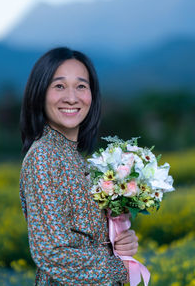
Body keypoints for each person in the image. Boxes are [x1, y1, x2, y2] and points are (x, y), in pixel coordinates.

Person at [19, 47, 138, 285]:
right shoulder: (44, 156)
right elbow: (53, 254)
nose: (72, 98)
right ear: (40, 93)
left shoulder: (74, 157)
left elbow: (88, 237)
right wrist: (118, 269)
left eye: (81, 86)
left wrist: (120, 241)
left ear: (92, 95)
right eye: (59, 86)